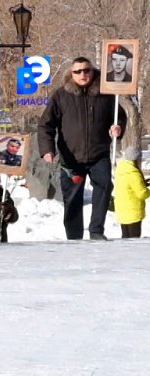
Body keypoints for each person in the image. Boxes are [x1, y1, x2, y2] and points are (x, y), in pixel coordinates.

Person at [38, 57, 125, 240]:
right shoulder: (61, 96)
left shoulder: (107, 94)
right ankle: (74, 236)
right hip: (72, 158)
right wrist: (47, 149)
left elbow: (119, 117)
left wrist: (118, 128)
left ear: (93, 72)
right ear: (71, 74)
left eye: (86, 70)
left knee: (104, 187)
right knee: (72, 198)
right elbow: (46, 125)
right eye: (77, 71)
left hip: (99, 154)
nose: (83, 74)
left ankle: (96, 231)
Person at [112, 146, 148, 239]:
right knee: (134, 239)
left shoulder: (120, 171)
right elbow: (142, 193)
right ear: (135, 159)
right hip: (133, 211)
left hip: (122, 211)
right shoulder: (133, 173)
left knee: (125, 238)